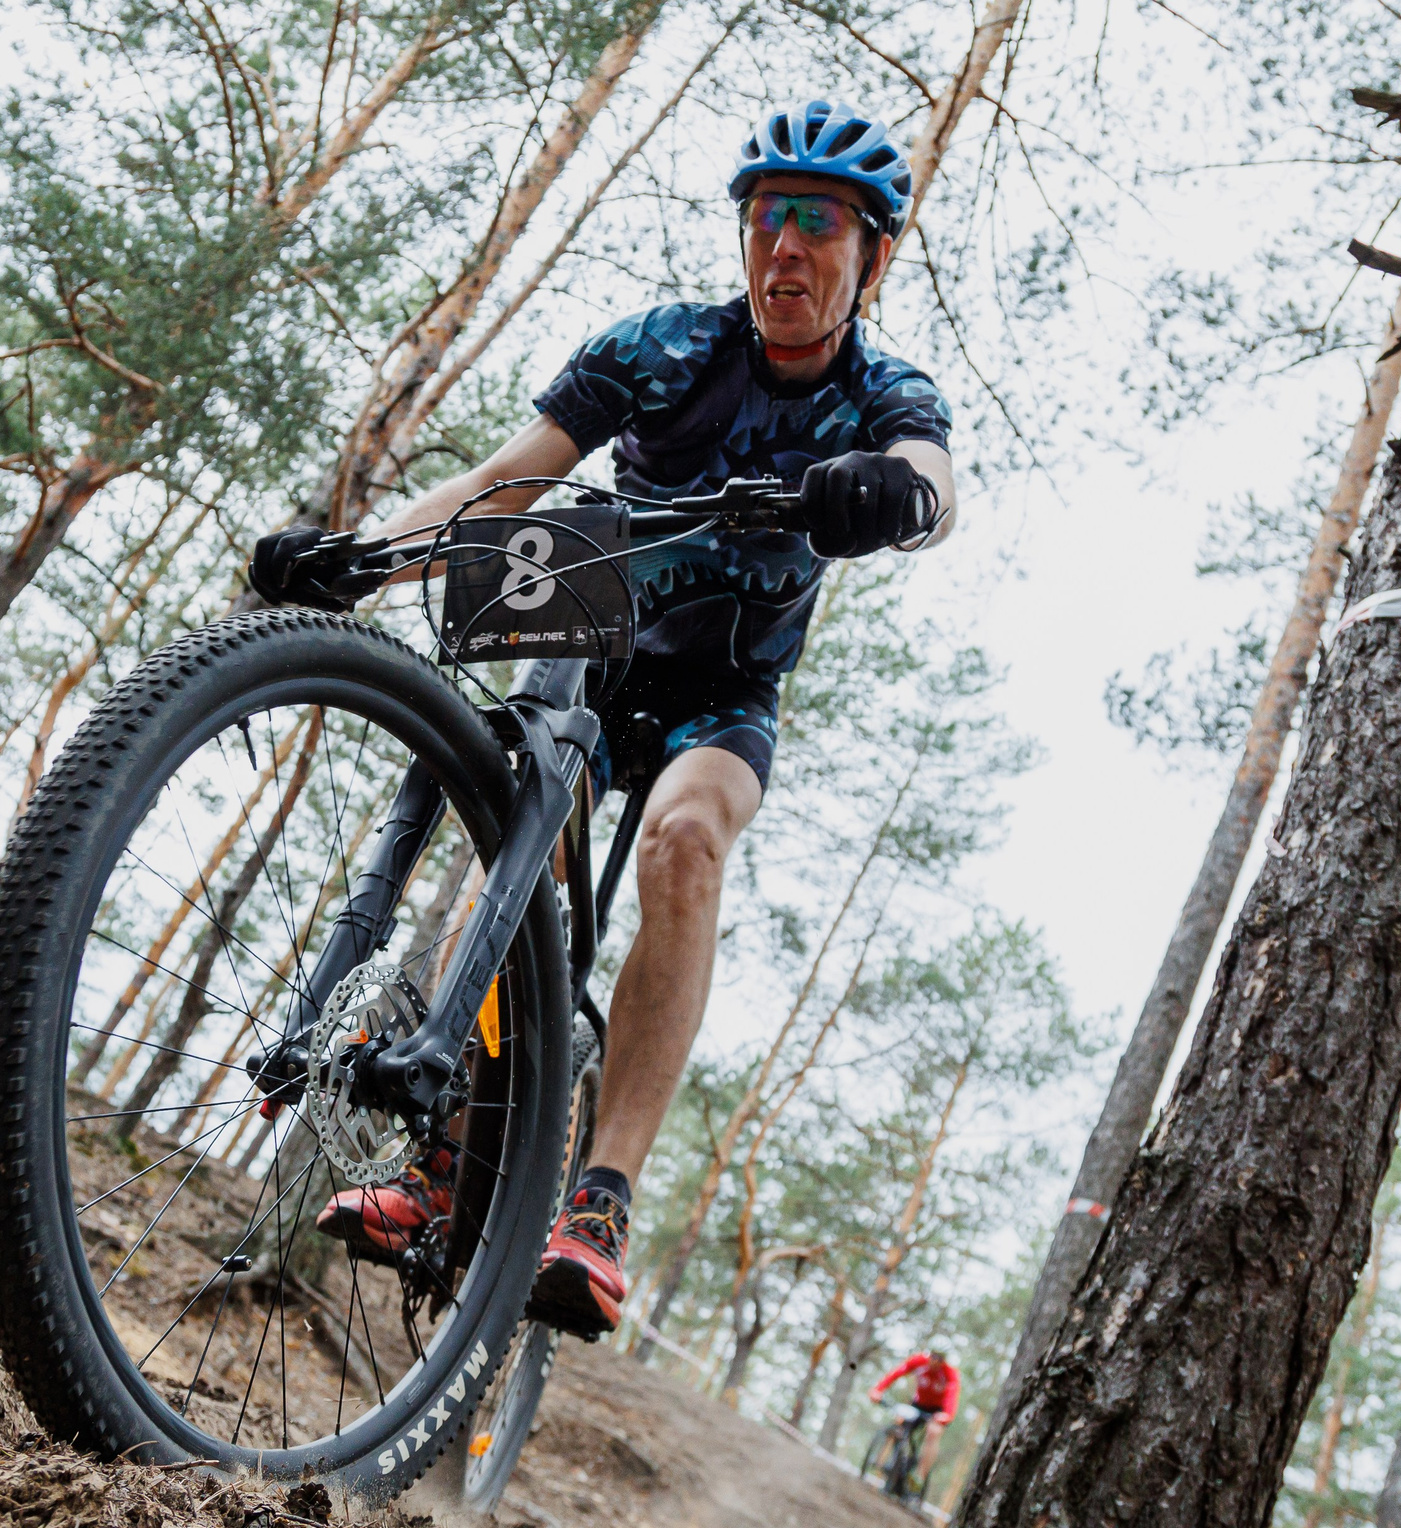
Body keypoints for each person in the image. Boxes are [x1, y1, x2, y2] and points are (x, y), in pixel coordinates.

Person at [252, 98, 957, 1337]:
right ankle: (445, 1161)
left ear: (872, 254)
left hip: (724, 701)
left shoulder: (883, 391)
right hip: (589, 652)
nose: (784, 247)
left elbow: (935, 486)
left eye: (818, 223)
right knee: (507, 858)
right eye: (764, 219)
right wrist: (359, 555)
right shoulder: (661, 348)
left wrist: (891, 496)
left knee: (686, 842)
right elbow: (504, 485)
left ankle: (602, 1195)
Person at [867, 1347, 959, 1483]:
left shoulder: (949, 1374)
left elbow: (952, 1396)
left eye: (940, 1359)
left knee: (933, 1432)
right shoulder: (918, 1361)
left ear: (944, 1361)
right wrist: (878, 1389)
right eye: (933, 1356)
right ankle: (881, 1461)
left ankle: (919, 1478)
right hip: (918, 1404)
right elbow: (896, 1373)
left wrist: (947, 1415)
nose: (935, 1361)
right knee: (899, 1420)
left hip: (936, 1411)